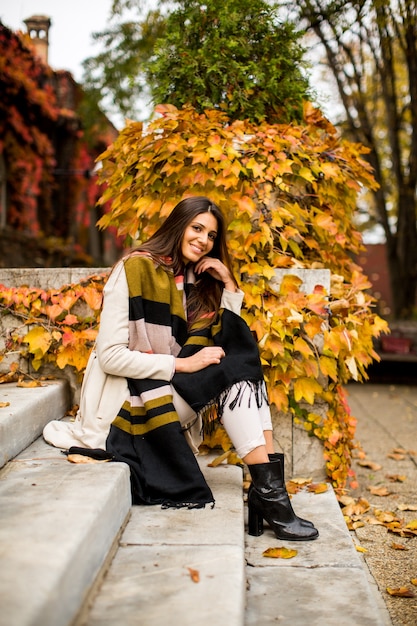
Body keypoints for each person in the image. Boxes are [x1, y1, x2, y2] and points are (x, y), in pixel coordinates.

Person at [43, 196, 318, 541]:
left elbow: (228, 337)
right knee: (233, 370)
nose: (204, 240)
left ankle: (270, 494)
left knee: (238, 360)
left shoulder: (193, 282)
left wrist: (229, 285)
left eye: (212, 236)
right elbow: (111, 355)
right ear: (179, 225)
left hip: (163, 397)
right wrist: (181, 364)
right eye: (197, 228)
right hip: (126, 406)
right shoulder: (134, 269)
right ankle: (270, 497)